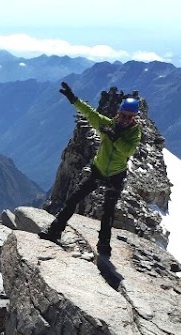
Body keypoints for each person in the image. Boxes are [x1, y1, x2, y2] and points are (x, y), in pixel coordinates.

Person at [41, 82, 142, 258]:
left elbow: (129, 150)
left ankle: (104, 246)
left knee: (108, 212)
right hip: (98, 169)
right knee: (73, 199)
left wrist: (114, 137)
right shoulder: (106, 124)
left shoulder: (135, 133)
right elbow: (89, 113)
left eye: (130, 117)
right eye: (124, 115)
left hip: (116, 174)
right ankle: (55, 231)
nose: (126, 120)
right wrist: (73, 99)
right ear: (119, 113)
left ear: (135, 118)